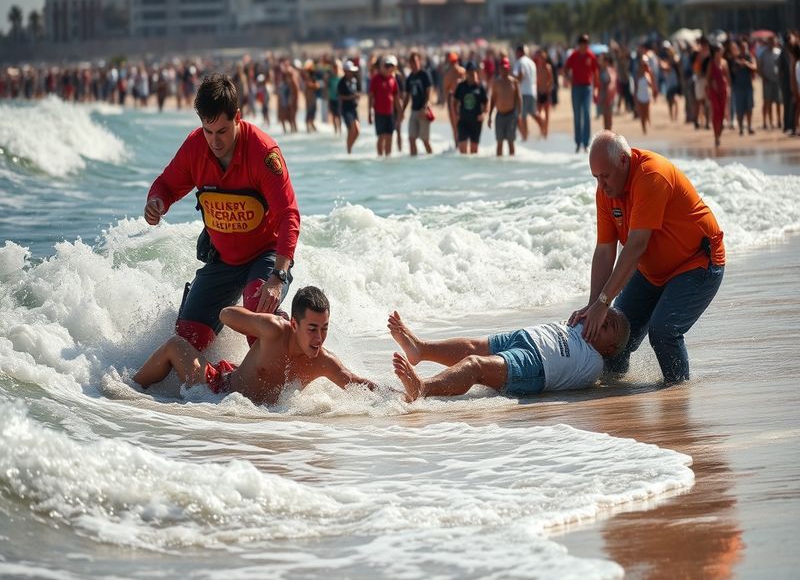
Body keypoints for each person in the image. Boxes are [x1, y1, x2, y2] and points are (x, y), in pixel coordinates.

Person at [144, 73, 301, 352]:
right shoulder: (195, 146)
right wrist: (157, 202)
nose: (214, 141)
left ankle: (286, 345)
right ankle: (211, 392)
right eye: (208, 131)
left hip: (264, 256)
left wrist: (278, 277)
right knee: (188, 339)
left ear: (237, 117)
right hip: (223, 259)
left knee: (257, 317)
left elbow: (289, 215)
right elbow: (166, 185)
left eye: (222, 131)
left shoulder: (263, 153)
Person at [570, 131, 725, 383]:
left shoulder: (651, 175)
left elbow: (636, 246)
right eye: (596, 178)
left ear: (623, 160)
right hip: (652, 271)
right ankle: (614, 393)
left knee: (663, 330)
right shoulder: (606, 193)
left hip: (697, 263)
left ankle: (676, 396)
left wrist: (604, 300)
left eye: (605, 176)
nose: (601, 185)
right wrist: (593, 306)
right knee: (612, 335)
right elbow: (604, 250)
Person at [134, 286, 375, 405]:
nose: (319, 338)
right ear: (294, 323)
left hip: (251, 414)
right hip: (219, 391)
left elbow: (357, 383)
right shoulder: (274, 329)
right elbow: (226, 314)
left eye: (324, 328)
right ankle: (128, 392)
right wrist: (259, 320)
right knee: (176, 345)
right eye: (312, 328)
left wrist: (410, 394)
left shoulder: (323, 361)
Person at [388, 309, 630, 402]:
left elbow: (574, 384)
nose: (605, 319)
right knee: (472, 346)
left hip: (535, 365)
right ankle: (421, 349)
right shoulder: (582, 322)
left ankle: (423, 387)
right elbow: (598, 303)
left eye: (610, 327)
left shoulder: (593, 363)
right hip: (523, 337)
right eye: (606, 315)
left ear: (610, 350)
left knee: (475, 365)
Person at [563, 34, 599, 152]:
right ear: (579, 44)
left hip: (587, 88)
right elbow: (565, 69)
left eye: (586, 43)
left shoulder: (591, 56)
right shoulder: (574, 55)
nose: (584, 45)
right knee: (577, 115)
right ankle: (578, 142)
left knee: (587, 113)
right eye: (582, 43)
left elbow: (595, 73)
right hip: (576, 88)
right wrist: (569, 80)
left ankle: (586, 142)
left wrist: (596, 89)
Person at [487, 56, 521, 156]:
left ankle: (511, 164)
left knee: (511, 142)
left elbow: (519, 98)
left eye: (506, 68)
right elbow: (493, 99)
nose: (504, 70)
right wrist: (489, 116)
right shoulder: (496, 83)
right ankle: (499, 166)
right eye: (502, 68)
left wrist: (519, 115)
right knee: (499, 142)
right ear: (499, 69)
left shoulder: (514, 82)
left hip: (511, 115)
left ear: (508, 68)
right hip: (500, 115)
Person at [453, 62, 488, 154]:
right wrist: (456, 115)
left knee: (474, 151)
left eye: (473, 72)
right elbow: (454, 101)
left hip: (476, 122)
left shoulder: (480, 87)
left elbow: (486, 102)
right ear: (466, 73)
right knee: (463, 151)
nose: (472, 74)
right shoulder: (461, 86)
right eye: (469, 72)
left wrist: (484, 114)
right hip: (463, 121)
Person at [402, 51, 433, 156]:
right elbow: (407, 96)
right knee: (411, 138)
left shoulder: (424, 74)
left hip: (423, 110)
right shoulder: (410, 77)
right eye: (412, 62)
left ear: (419, 62)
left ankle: (431, 159)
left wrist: (425, 107)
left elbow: (429, 92)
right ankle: (413, 161)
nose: (414, 65)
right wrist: (402, 111)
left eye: (415, 62)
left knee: (425, 140)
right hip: (414, 110)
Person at [368, 55, 400, 157]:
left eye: (389, 66)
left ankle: (388, 157)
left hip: (390, 113)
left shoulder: (393, 80)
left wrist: (400, 113)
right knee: (381, 137)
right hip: (379, 113)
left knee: (390, 137)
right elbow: (371, 97)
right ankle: (380, 157)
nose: (387, 68)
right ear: (381, 66)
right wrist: (370, 113)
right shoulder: (375, 79)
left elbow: (396, 98)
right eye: (386, 66)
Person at [512, 45, 544, 141]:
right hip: (532, 91)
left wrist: (515, 84)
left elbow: (521, 74)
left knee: (522, 115)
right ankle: (543, 129)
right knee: (534, 113)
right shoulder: (531, 62)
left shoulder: (519, 62)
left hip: (523, 92)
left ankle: (525, 137)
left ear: (519, 52)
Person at [707, 44, 731, 148]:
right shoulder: (711, 63)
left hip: (723, 90)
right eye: (719, 51)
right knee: (716, 112)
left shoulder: (725, 62)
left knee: (722, 113)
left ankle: (719, 135)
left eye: (721, 51)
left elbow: (727, 76)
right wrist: (711, 84)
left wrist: (729, 88)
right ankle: (716, 136)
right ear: (716, 52)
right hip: (714, 91)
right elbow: (708, 79)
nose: (720, 52)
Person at [338, 60, 361, 153]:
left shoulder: (355, 80)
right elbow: (340, 97)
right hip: (346, 109)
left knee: (357, 130)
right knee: (351, 129)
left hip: (354, 109)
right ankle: (349, 150)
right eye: (349, 71)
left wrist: (357, 98)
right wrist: (352, 97)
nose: (351, 73)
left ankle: (350, 147)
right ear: (345, 71)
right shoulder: (341, 83)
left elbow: (358, 91)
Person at [443, 52, 466, 145]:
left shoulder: (449, 74)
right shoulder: (462, 71)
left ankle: (458, 144)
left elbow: (446, 91)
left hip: (454, 99)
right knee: (459, 123)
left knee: (455, 125)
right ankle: (459, 144)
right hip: (459, 98)